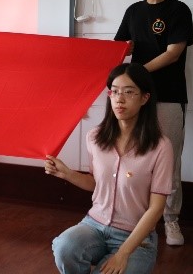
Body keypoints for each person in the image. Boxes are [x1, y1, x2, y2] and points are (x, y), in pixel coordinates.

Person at [46, 63, 173, 274]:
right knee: (64, 247)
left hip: (136, 237)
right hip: (94, 226)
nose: (119, 99)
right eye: (115, 91)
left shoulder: (161, 147)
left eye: (129, 92)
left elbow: (156, 208)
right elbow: (96, 183)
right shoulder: (95, 137)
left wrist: (122, 254)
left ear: (144, 98)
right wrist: (65, 173)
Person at [114, 0, 193, 246]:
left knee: (169, 159)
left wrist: (138, 72)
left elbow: (173, 53)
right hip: (134, 97)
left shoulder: (178, 10)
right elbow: (122, 47)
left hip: (168, 96)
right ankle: (134, 219)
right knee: (133, 156)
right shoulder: (133, 11)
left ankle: (170, 220)